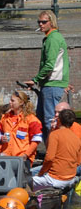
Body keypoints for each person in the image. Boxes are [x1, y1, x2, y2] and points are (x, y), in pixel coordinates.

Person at [24, 10, 69, 141]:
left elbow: (50, 65)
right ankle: (47, 149)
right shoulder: (52, 38)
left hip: (52, 84)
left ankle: (53, 151)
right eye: (39, 22)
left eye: (44, 22)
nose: (41, 24)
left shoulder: (53, 39)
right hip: (50, 84)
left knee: (50, 119)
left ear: (51, 22)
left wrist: (35, 79)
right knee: (41, 118)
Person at [33, 109, 81, 191]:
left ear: (59, 120)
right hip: (70, 178)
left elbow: (49, 158)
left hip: (55, 179)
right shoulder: (76, 138)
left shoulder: (55, 135)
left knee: (26, 182)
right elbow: (78, 161)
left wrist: (41, 173)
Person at [0, 90, 43, 167]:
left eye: (12, 100)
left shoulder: (32, 120)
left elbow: (36, 140)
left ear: (21, 103)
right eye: (10, 100)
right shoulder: (5, 118)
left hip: (22, 158)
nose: (10, 102)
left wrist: (25, 155)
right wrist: (1, 138)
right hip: (5, 157)